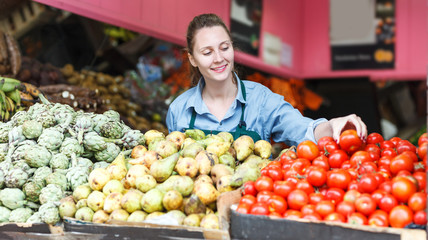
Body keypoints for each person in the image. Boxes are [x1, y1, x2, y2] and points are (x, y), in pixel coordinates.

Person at [166, 13, 367, 147]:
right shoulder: (179, 110)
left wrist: (333, 126)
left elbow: (302, 129)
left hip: (250, 206)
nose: (219, 58)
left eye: (225, 48)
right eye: (207, 52)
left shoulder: (261, 100)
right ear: (192, 59)